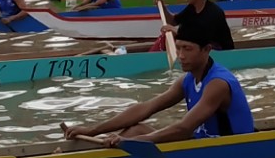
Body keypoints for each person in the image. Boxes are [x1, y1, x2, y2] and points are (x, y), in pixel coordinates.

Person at [60, 29, 255, 145]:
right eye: (178, 48)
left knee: (137, 137)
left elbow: (184, 128)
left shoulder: (218, 84)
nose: (181, 55)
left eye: (187, 49)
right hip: (201, 143)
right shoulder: (186, 80)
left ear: (206, 50)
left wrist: (136, 143)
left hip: (229, 148)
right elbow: (147, 108)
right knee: (135, 129)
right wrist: (92, 130)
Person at [154, 0, 234, 52]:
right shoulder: (192, 8)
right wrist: (162, 6)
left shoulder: (214, 13)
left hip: (219, 53)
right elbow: (173, 21)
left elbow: (199, 40)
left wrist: (175, 30)